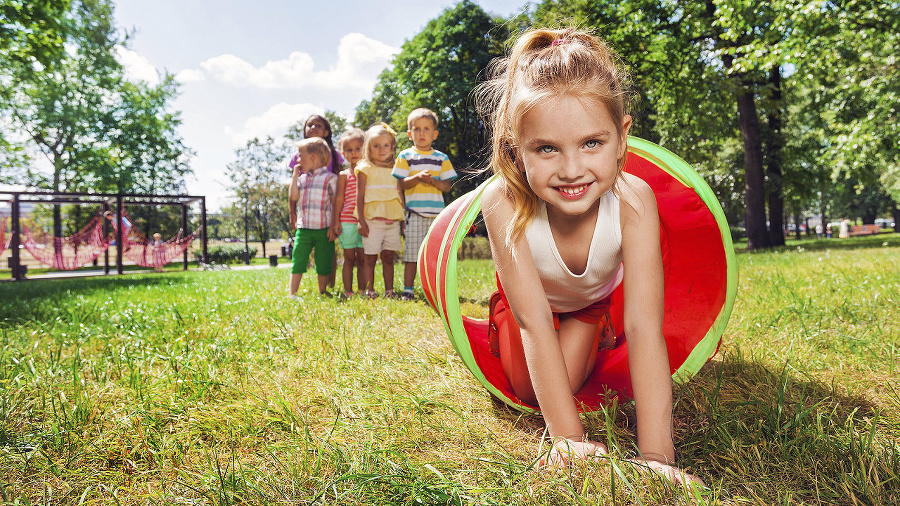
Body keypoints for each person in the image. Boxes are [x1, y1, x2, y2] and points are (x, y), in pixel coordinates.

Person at [476, 27, 703, 486]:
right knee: (526, 388)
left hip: (587, 305)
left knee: (572, 377)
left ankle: (596, 327)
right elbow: (534, 321)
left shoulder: (634, 200)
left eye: (592, 143)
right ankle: (493, 316)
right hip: (529, 309)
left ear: (622, 138)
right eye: (546, 148)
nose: (572, 169)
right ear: (514, 149)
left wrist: (658, 455)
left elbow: (643, 327)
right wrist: (568, 439)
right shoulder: (503, 201)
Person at [393, 108, 457, 301]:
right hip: (414, 213)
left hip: (437, 216)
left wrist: (434, 182)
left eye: (426, 129)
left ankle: (436, 290)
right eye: (417, 129)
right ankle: (408, 289)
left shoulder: (441, 158)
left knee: (435, 256)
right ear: (410, 134)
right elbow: (401, 184)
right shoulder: (405, 156)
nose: (422, 133)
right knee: (412, 253)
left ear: (434, 134)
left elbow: (447, 186)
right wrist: (418, 177)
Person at [355, 123, 403, 299]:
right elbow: (359, 196)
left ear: (392, 147)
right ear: (369, 148)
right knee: (370, 257)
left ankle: (389, 291)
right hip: (371, 221)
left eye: (386, 145)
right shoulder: (364, 168)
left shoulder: (396, 167)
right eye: (376, 145)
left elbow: (399, 193)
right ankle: (370, 290)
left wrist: (403, 218)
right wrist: (361, 220)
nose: (381, 149)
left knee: (389, 257)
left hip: (392, 221)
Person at [288, 137, 339, 298]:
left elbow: (335, 203)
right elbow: (294, 196)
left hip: (324, 228)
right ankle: (292, 293)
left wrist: (333, 226)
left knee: (323, 260)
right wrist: (294, 177)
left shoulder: (330, 178)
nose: (298, 159)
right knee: (298, 259)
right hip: (304, 229)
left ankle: (322, 291)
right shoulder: (302, 179)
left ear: (313, 156)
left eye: (300, 155)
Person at [332, 128, 367, 298]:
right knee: (349, 258)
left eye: (358, 148)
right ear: (343, 152)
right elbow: (339, 199)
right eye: (349, 150)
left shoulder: (368, 173)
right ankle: (348, 291)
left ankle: (362, 290)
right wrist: (336, 221)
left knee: (362, 258)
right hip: (347, 222)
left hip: (364, 221)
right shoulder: (343, 175)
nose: (354, 153)